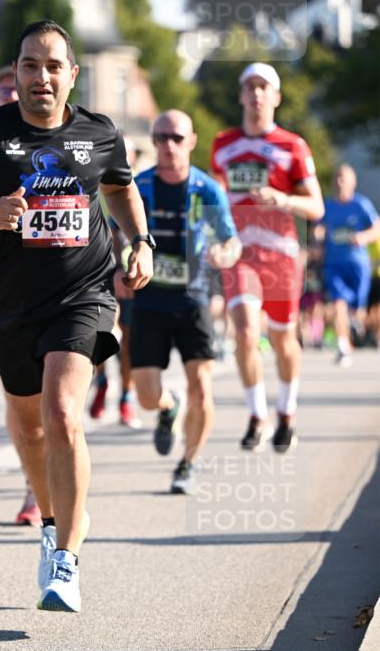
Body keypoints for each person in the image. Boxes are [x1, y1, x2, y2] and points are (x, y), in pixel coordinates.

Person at [0, 20, 153, 612]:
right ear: (16, 73)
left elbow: (120, 187)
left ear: (72, 75)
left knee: (62, 413)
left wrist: (141, 240)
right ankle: (51, 523)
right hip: (10, 306)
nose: (41, 77)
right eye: (30, 65)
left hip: (84, 295)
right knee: (29, 428)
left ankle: (67, 560)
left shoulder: (99, 133)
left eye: (53, 66)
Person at [116, 110, 240, 494]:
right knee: (146, 395)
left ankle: (188, 464)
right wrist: (119, 267)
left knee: (201, 387)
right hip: (149, 300)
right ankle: (169, 406)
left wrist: (224, 254)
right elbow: (115, 234)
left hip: (193, 299)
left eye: (176, 138)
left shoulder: (207, 190)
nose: (168, 145)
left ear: (191, 142)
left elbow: (232, 241)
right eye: (160, 137)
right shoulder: (139, 186)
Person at [211, 63, 324, 454]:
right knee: (244, 331)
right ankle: (257, 416)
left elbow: (317, 207)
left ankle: (286, 413)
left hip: (281, 255)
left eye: (264, 87)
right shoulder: (222, 144)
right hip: (240, 253)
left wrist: (284, 199)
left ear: (276, 97)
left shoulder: (293, 146)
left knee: (282, 339)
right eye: (250, 86)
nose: (257, 93)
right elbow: (215, 198)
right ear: (241, 95)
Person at [0, 65, 41, 526]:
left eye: (12, 89)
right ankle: (34, 476)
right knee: (17, 398)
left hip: (62, 287)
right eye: (0, 91)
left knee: (57, 400)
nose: (7, 96)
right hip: (0, 289)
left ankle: (42, 486)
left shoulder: (56, 139)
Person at [89, 134, 142, 429]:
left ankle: (125, 397)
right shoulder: (97, 186)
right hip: (102, 275)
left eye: (128, 153)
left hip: (132, 277)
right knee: (103, 331)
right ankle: (102, 381)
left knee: (130, 342)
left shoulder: (140, 187)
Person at [316, 164, 380, 366]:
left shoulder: (361, 204)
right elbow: (319, 227)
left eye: (344, 178)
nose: (339, 182)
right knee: (338, 304)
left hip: (358, 265)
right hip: (334, 264)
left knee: (359, 311)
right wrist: (318, 237)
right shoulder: (328, 205)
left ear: (353, 182)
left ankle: (358, 325)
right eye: (337, 177)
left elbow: (376, 228)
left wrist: (363, 237)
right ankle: (343, 346)